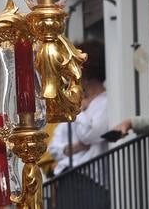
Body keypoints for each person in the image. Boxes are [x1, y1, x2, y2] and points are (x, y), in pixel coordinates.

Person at [47, 39, 110, 208]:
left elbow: (89, 135)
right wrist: (74, 148)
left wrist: (80, 112)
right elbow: (54, 148)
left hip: (91, 180)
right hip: (67, 178)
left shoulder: (105, 102)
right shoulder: (76, 106)